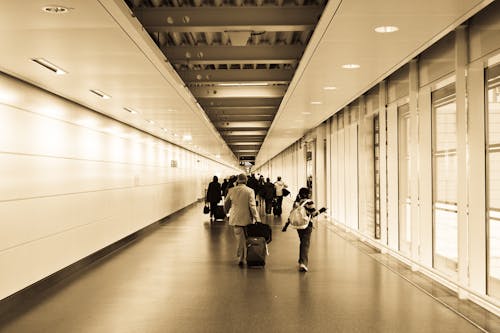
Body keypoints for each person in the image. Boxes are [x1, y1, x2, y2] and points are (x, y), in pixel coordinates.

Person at [282, 187, 326, 272]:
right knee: (305, 244)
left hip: (299, 226)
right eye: (309, 193)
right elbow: (313, 214)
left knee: (303, 243)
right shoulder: (309, 202)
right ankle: (303, 263)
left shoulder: (296, 202)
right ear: (306, 194)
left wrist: (286, 225)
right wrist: (322, 210)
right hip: (307, 225)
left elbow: (292, 214)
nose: (310, 194)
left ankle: (301, 260)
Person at [224, 173, 261, 267]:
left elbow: (226, 203)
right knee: (248, 238)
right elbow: (252, 206)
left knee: (240, 239)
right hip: (247, 218)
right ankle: (248, 256)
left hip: (236, 218)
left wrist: (227, 213)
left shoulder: (231, 190)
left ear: (237, 180)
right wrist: (257, 219)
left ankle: (241, 257)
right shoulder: (250, 191)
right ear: (246, 181)